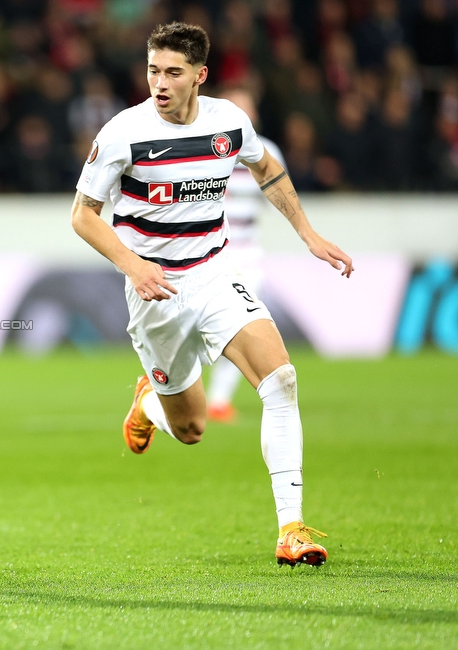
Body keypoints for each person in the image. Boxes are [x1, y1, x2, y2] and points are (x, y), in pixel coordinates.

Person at [70, 22, 353, 567]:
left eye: (173, 72)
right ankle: (150, 405)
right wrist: (134, 266)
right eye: (153, 70)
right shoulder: (122, 133)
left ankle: (290, 528)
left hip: (216, 273)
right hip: (155, 294)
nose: (160, 82)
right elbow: (83, 216)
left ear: (199, 75)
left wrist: (308, 234)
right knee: (193, 428)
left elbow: (267, 168)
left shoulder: (229, 122)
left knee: (282, 380)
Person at [205, 87, 286, 423]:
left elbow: (279, 193)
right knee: (200, 330)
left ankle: (218, 400)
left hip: (248, 253)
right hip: (206, 253)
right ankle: (173, 391)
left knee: (240, 327)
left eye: (246, 106)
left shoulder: (266, 149)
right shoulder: (204, 147)